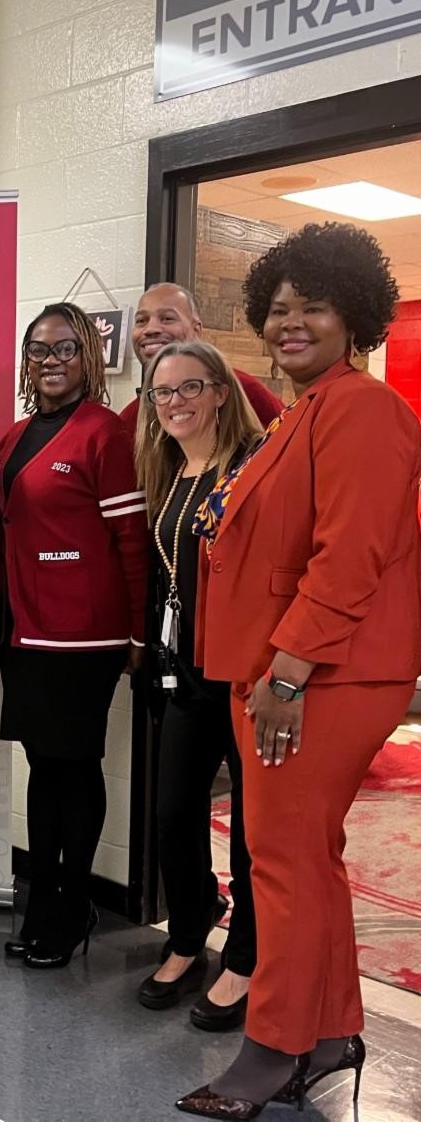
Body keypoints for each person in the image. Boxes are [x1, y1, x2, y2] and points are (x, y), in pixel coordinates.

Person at [177, 223, 421, 1119]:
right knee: (304, 860)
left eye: (312, 306)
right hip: (286, 671)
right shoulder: (306, 412)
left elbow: (348, 557)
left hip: (321, 677)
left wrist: (284, 676)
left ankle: (274, 1047)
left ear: (352, 315)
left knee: (278, 862)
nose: (291, 323)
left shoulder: (360, 408)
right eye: (278, 309)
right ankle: (329, 1032)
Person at [0, 302, 147, 969]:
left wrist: (140, 633)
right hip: (27, 632)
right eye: (39, 350)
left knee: (74, 766)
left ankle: (73, 901)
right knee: (43, 765)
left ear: (88, 357)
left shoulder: (105, 434)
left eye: (64, 349)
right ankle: (46, 900)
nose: (50, 361)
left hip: (84, 638)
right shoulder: (14, 434)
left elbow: (133, 543)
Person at [133, 341, 262, 1031]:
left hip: (243, 674)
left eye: (189, 388)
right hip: (185, 671)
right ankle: (188, 936)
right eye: (162, 393)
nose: (175, 402)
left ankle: (245, 958)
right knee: (174, 814)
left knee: (248, 827)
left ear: (220, 392)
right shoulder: (172, 469)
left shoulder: (252, 466)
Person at [119, 283, 282, 440]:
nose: (150, 329)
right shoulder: (129, 420)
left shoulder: (243, 391)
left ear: (196, 330)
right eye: (141, 320)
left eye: (167, 318)